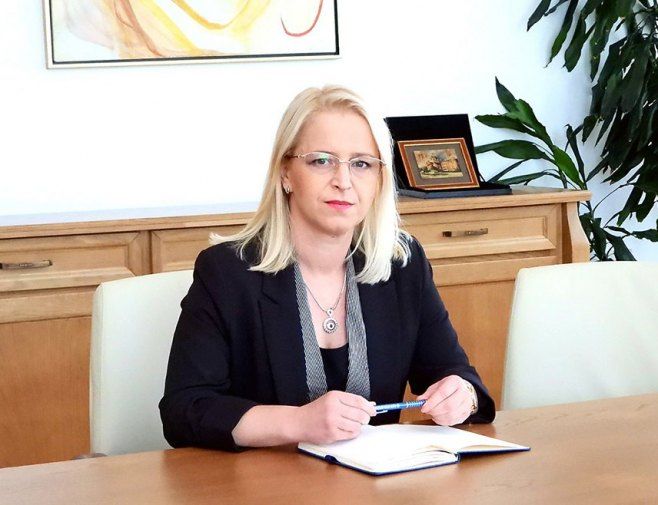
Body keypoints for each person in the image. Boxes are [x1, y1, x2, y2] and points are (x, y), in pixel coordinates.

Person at [159, 85, 495, 451]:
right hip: (265, 477)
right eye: (322, 161)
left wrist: (462, 395)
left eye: (361, 164)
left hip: (376, 478)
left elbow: (456, 373)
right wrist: (298, 422)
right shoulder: (227, 272)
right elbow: (184, 410)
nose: (343, 181)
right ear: (285, 173)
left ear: (379, 179)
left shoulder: (401, 263)